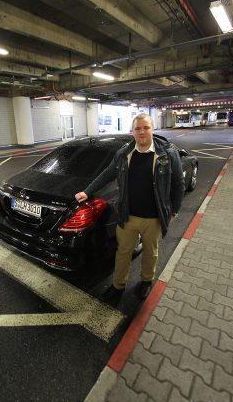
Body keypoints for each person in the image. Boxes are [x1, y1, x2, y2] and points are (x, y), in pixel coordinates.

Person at [75, 113, 185, 305]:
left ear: (152, 129)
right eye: (138, 128)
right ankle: (118, 286)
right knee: (123, 252)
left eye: (146, 127)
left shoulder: (167, 154)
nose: (142, 132)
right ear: (132, 131)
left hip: (154, 218)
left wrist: (174, 209)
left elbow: (178, 183)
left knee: (151, 252)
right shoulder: (124, 154)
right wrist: (87, 191)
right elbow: (108, 173)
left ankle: (146, 281)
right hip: (127, 215)